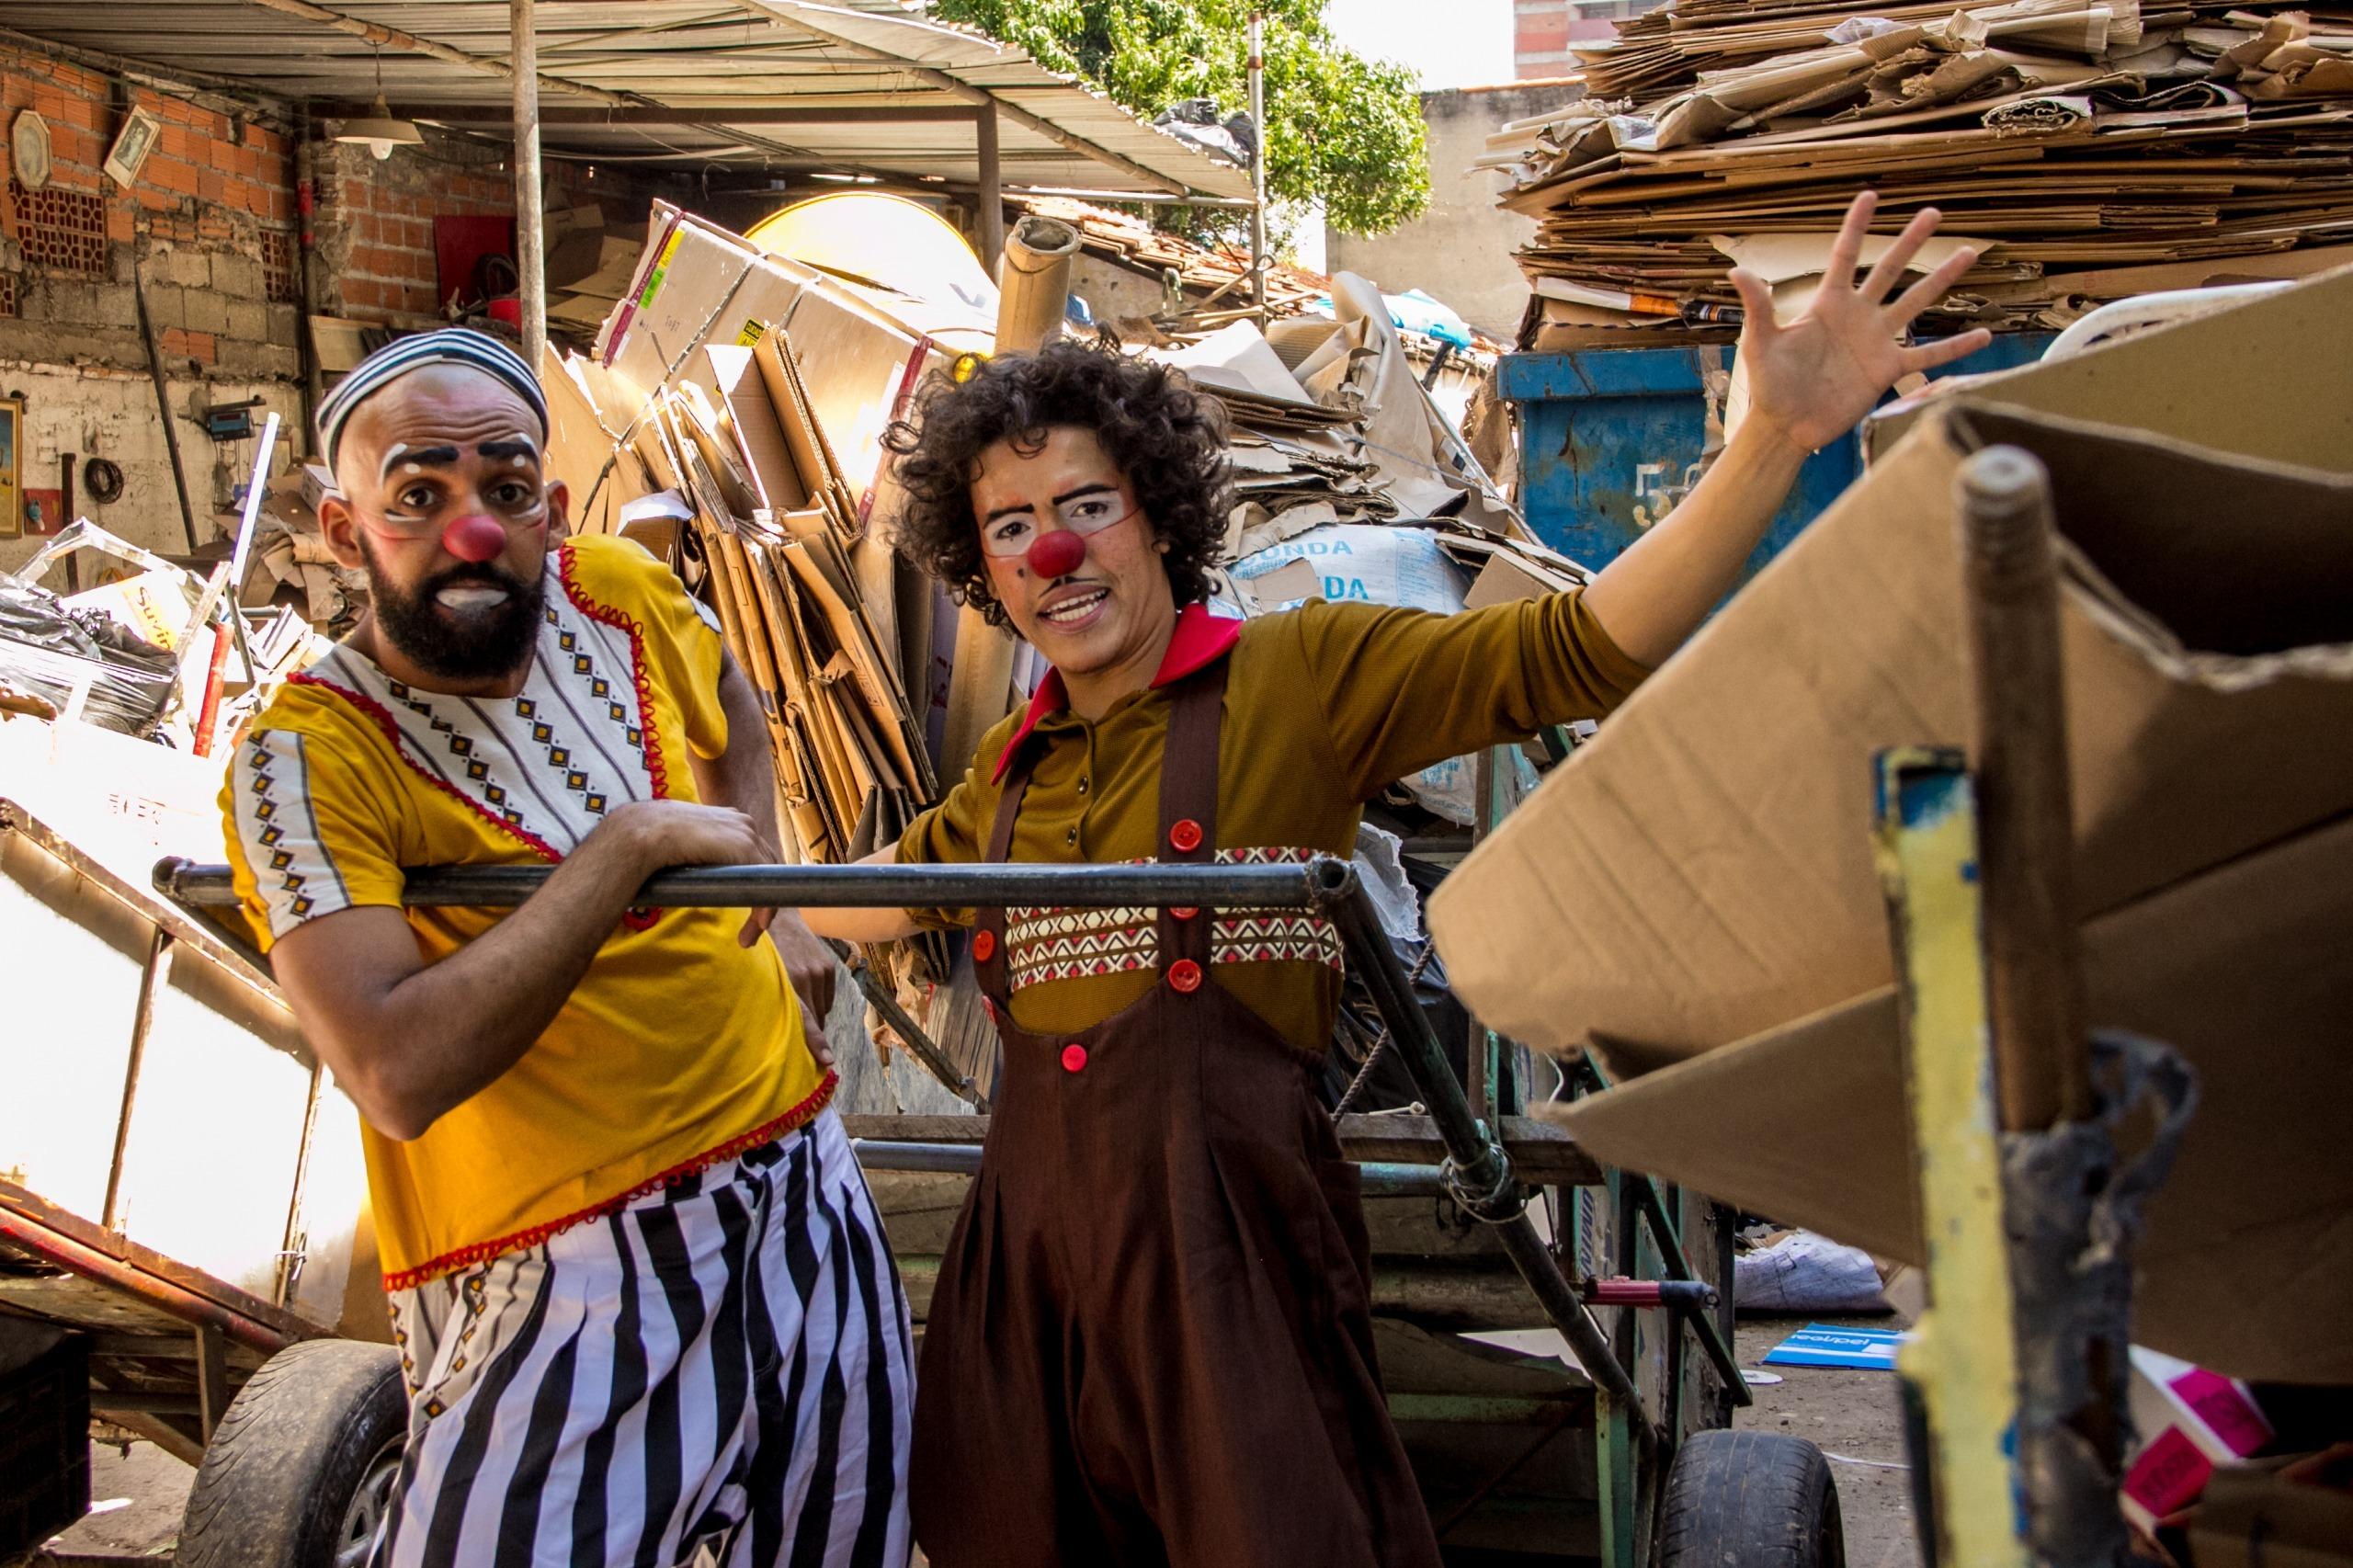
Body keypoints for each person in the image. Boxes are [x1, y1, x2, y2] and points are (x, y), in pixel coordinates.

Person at [801, 192, 1989, 1566]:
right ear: (983, 566)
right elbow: (854, 893)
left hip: (1229, 1290)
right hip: (1034, 1307)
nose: (1051, 552)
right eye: (1010, 528)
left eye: (1084, 507)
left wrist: (1770, 444)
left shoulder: (1300, 676)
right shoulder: (1008, 773)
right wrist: (675, 854)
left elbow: (1578, 648)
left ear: (1156, 516)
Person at [218, 329, 913, 1567]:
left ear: (550, 502)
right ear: (340, 529)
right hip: (573, 1267)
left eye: (503, 488)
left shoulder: (618, 590)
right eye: (418, 496)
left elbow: (735, 694)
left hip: (804, 1182)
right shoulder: (305, 754)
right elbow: (392, 1067)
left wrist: (773, 891)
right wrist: (627, 848)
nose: (469, 528)